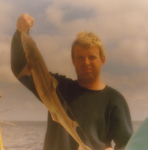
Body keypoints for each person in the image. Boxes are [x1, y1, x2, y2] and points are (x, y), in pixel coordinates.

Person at [11, 13, 133, 150]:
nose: (86, 62)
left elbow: (129, 145)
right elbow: (19, 67)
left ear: (102, 60)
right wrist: (21, 31)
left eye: (91, 57)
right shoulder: (57, 87)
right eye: (80, 58)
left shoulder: (115, 100)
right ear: (73, 61)